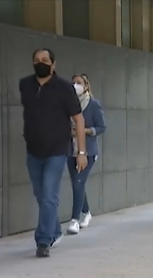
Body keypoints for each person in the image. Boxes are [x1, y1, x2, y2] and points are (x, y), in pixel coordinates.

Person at [19, 48, 88, 258]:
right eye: (37, 60)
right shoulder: (25, 85)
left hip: (57, 151)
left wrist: (81, 152)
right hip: (33, 151)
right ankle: (55, 230)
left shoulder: (64, 88)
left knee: (49, 196)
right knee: (41, 196)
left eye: (45, 60)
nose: (41, 63)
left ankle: (43, 240)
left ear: (53, 64)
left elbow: (78, 119)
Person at [67, 74, 106, 235]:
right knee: (77, 184)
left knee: (78, 183)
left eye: (79, 83)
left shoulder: (93, 104)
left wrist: (86, 131)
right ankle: (87, 212)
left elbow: (102, 127)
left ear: (86, 86)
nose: (76, 85)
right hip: (71, 150)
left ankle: (74, 220)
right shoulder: (68, 104)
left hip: (88, 152)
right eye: (73, 83)